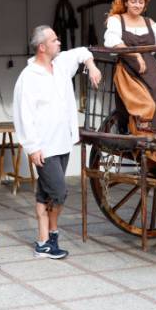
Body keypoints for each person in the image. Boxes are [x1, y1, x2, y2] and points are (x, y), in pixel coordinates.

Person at [14, 25, 102, 259]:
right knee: (59, 192)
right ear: (42, 47)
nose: (59, 43)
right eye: (54, 40)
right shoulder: (28, 77)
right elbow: (23, 114)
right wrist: (32, 147)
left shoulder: (61, 64)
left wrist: (92, 67)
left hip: (63, 141)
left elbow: (83, 52)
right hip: (44, 147)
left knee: (45, 194)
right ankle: (53, 234)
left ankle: (43, 243)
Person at [104, 0, 156, 142]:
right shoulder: (117, 20)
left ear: (145, 5)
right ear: (126, 3)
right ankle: (146, 141)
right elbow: (112, 41)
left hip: (151, 70)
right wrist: (135, 54)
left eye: (141, 2)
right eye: (133, 1)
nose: (137, 5)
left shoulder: (150, 23)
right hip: (128, 69)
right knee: (146, 105)